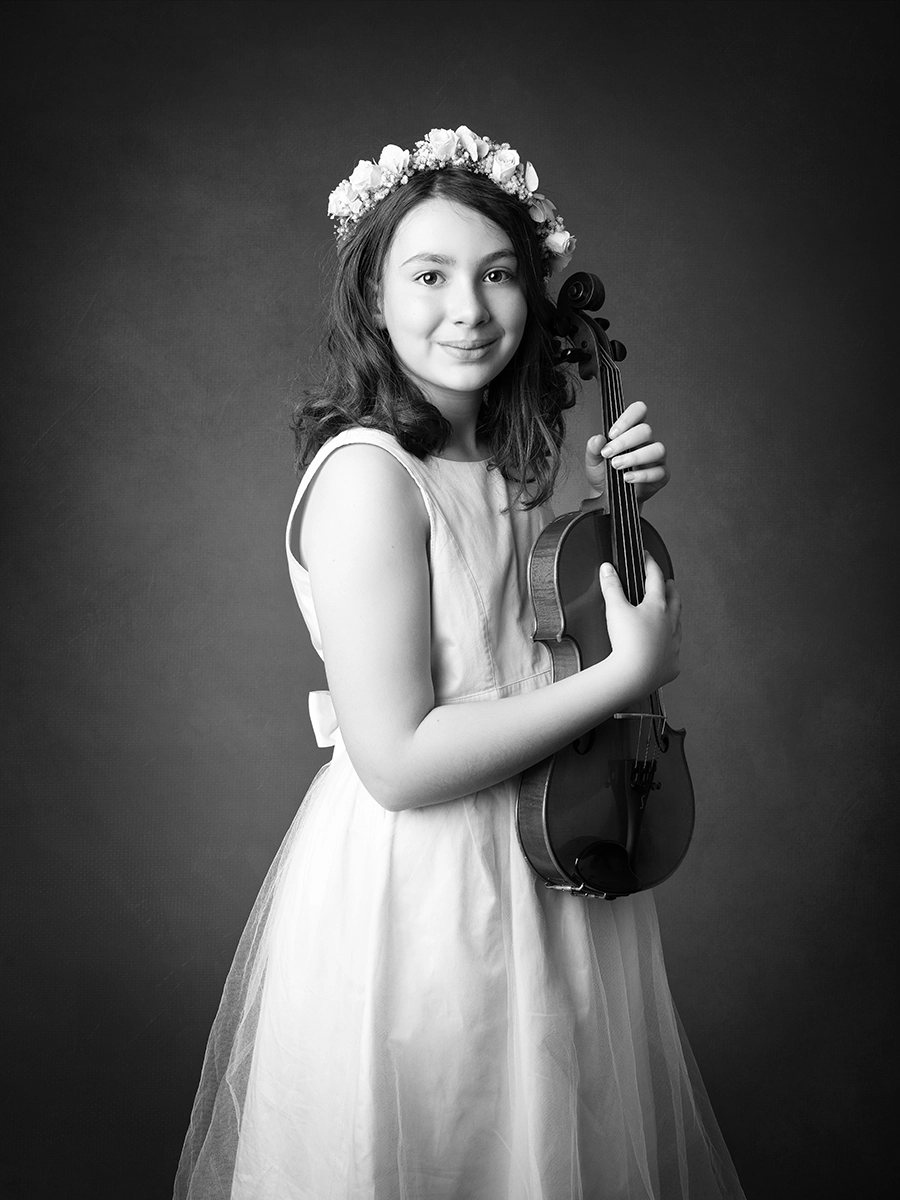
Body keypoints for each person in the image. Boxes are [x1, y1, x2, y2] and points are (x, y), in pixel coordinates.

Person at [175, 125, 745, 1199]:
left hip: (553, 850)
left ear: (534, 294)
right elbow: (397, 758)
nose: (468, 311)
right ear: (373, 299)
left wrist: (610, 515)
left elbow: (516, 633)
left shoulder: (504, 464)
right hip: (429, 893)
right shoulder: (367, 480)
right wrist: (622, 680)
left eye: (496, 276)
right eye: (429, 275)